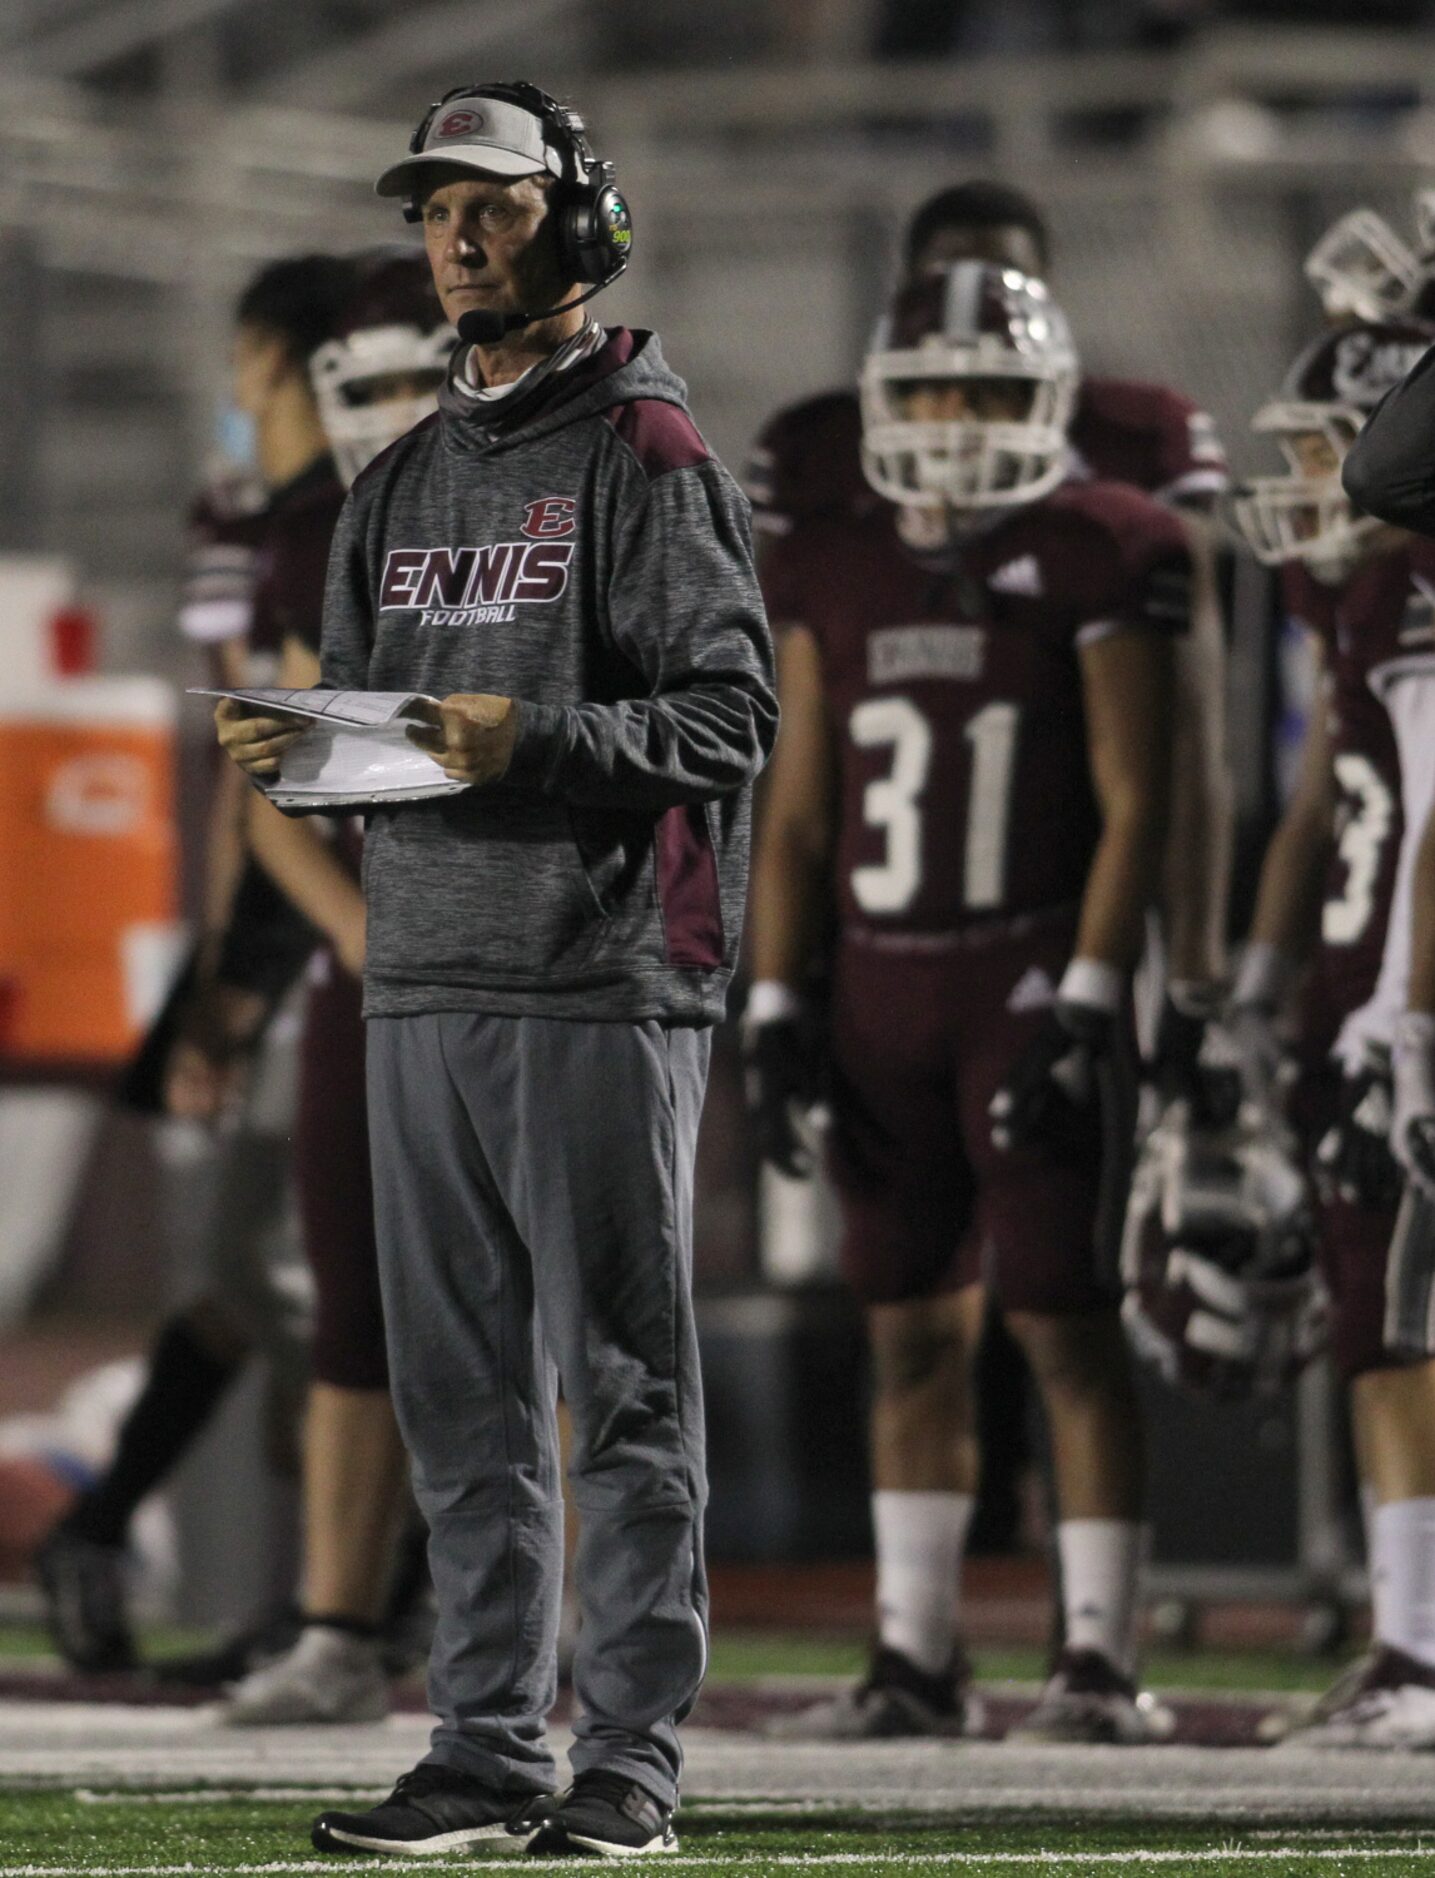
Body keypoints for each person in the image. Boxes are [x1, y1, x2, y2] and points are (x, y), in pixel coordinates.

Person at [217, 80, 776, 1860]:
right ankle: (480, 1740)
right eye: (437, 212)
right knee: (455, 1394)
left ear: (580, 223)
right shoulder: (394, 479)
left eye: (496, 207)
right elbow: (398, 741)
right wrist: (308, 749)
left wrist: (513, 738)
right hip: (425, 978)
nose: (458, 238)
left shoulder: (651, 452)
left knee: (615, 1378)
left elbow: (729, 713)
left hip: (601, 974)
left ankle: (631, 1755)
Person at [744, 180, 1223, 1742]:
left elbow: (1146, 794)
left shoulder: (1110, 544)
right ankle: (915, 1656)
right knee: (903, 1328)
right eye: (932, 389)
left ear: (1050, 404)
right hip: (881, 980)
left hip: (1026, 972)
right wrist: (773, 998)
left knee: (1066, 1318)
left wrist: (1098, 994)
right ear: (883, 397)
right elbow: (799, 811)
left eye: (990, 392)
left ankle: (1094, 1658)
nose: (954, 419)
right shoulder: (831, 554)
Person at [34, 254, 359, 1677]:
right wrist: (233, 970)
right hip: (291, 907)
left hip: (329, 899)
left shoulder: (369, 505)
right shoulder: (267, 513)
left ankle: (347, 1581)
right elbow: (253, 760)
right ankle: (342, 1586)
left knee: (289, 1276)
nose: (237, 390)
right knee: (271, 1269)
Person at [215, 250, 456, 1727]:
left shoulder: (557, 511)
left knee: (548, 1312)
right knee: (355, 1311)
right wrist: (371, 939)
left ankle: (553, 1625)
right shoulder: (320, 533)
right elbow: (274, 795)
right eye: (365, 385)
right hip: (376, 966)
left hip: (529, 961)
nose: (397, 412)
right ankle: (337, 1625)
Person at [1227, 313, 1435, 1747]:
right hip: (1364, 984)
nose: (1313, 481)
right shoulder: (1345, 597)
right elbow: (1325, 806)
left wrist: (1400, 1010)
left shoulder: (1415, 580)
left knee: (1398, 1319)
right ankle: (1407, 1637)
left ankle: (1418, 1650)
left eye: (1327, 450)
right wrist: (1254, 984)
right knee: (1375, 1315)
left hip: (1401, 996)